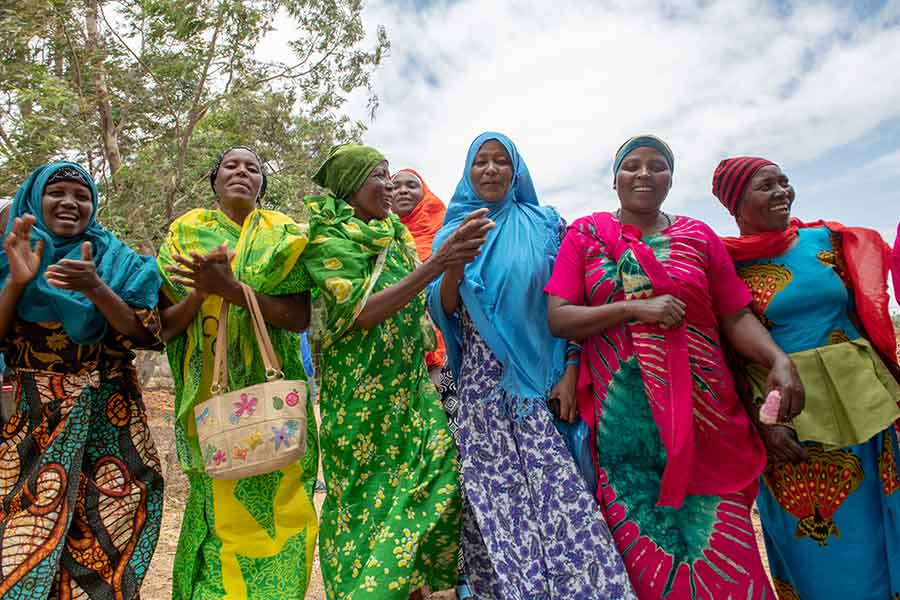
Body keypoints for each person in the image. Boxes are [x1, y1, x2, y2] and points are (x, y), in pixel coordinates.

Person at [544, 135, 804, 600]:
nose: (644, 174)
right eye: (633, 166)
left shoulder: (698, 236)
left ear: (671, 179)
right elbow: (560, 317)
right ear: (615, 179)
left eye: (657, 166)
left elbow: (736, 316)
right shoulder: (584, 235)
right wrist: (632, 309)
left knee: (730, 556)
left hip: (709, 421)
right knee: (650, 566)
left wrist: (777, 359)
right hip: (629, 437)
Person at [427, 132, 636, 600]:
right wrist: (454, 261)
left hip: (545, 382)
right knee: (498, 504)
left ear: (516, 170)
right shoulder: (454, 229)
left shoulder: (546, 224)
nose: (491, 170)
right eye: (480, 161)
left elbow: (570, 299)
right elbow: (442, 310)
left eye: (502, 161)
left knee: (561, 497)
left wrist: (571, 370)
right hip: (484, 388)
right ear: (467, 171)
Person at [299, 143, 490, 599]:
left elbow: (420, 305)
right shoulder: (327, 239)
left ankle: (400, 582)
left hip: (410, 383)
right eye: (377, 176)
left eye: (390, 175)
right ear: (349, 185)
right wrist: (438, 265)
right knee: (364, 506)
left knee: (441, 473)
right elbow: (360, 313)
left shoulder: (396, 235)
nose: (387, 186)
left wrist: (451, 268)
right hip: (360, 395)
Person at [713, 156, 900, 600]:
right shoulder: (721, 264)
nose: (782, 192)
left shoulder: (827, 242)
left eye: (785, 182)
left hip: (864, 410)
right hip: (791, 424)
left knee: (880, 525)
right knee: (819, 546)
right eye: (766, 186)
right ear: (736, 202)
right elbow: (725, 356)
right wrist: (760, 426)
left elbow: (864, 310)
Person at [157, 146, 318, 600]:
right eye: (232, 165)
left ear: (263, 183)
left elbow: (300, 317)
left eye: (254, 168)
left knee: (284, 504)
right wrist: (202, 291)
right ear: (215, 180)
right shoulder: (187, 232)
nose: (243, 172)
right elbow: (167, 326)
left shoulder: (283, 235)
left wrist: (232, 289)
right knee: (217, 508)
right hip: (212, 399)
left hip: (274, 397)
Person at [0, 162, 164, 599]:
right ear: (35, 198)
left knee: (106, 529)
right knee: (24, 532)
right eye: (58, 192)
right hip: (35, 420)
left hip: (110, 418)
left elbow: (144, 332)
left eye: (82, 195)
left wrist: (95, 288)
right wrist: (17, 283)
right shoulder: (10, 252)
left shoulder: (115, 259)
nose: (71, 203)